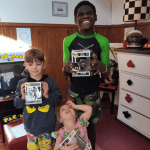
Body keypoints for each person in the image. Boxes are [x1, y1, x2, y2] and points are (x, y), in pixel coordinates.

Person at [62, 1, 110, 149]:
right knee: (72, 124)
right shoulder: (68, 40)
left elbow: (107, 72)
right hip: (74, 91)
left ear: (95, 17)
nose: (85, 16)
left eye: (89, 13)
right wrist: (66, 67)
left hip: (92, 92)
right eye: (80, 14)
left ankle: (91, 148)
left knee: (90, 126)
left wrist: (101, 66)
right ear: (75, 19)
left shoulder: (102, 41)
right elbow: (64, 72)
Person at [14, 48, 62, 150]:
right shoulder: (22, 83)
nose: (35, 68)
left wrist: (47, 95)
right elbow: (17, 104)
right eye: (30, 64)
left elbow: (58, 100)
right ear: (25, 65)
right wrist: (22, 96)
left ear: (44, 64)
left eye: (38, 64)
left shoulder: (50, 81)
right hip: (30, 126)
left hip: (47, 126)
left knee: (47, 148)